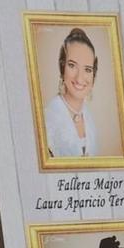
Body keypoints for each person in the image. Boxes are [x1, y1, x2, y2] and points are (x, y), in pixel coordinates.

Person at [43, 26, 99, 158]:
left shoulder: (88, 116)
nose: (80, 78)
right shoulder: (48, 118)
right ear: (62, 68)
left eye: (88, 69)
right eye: (72, 65)